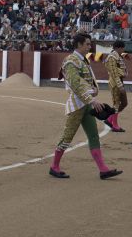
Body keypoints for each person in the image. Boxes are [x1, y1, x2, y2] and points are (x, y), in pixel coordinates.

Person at [49, 32, 121, 180]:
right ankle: (54, 166)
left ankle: (103, 169)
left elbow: (84, 83)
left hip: (86, 104)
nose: (90, 47)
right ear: (79, 45)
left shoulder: (81, 60)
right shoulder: (71, 61)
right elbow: (75, 84)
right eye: (87, 44)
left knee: (94, 135)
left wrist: (93, 91)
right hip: (77, 105)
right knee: (67, 136)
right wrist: (91, 99)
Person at [102, 41, 128, 133]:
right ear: (119, 48)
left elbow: (122, 70)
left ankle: (109, 119)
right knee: (116, 104)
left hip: (120, 81)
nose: (124, 50)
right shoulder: (112, 57)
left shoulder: (117, 56)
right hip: (115, 83)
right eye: (123, 48)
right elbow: (113, 73)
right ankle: (115, 125)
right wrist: (120, 85)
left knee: (124, 103)